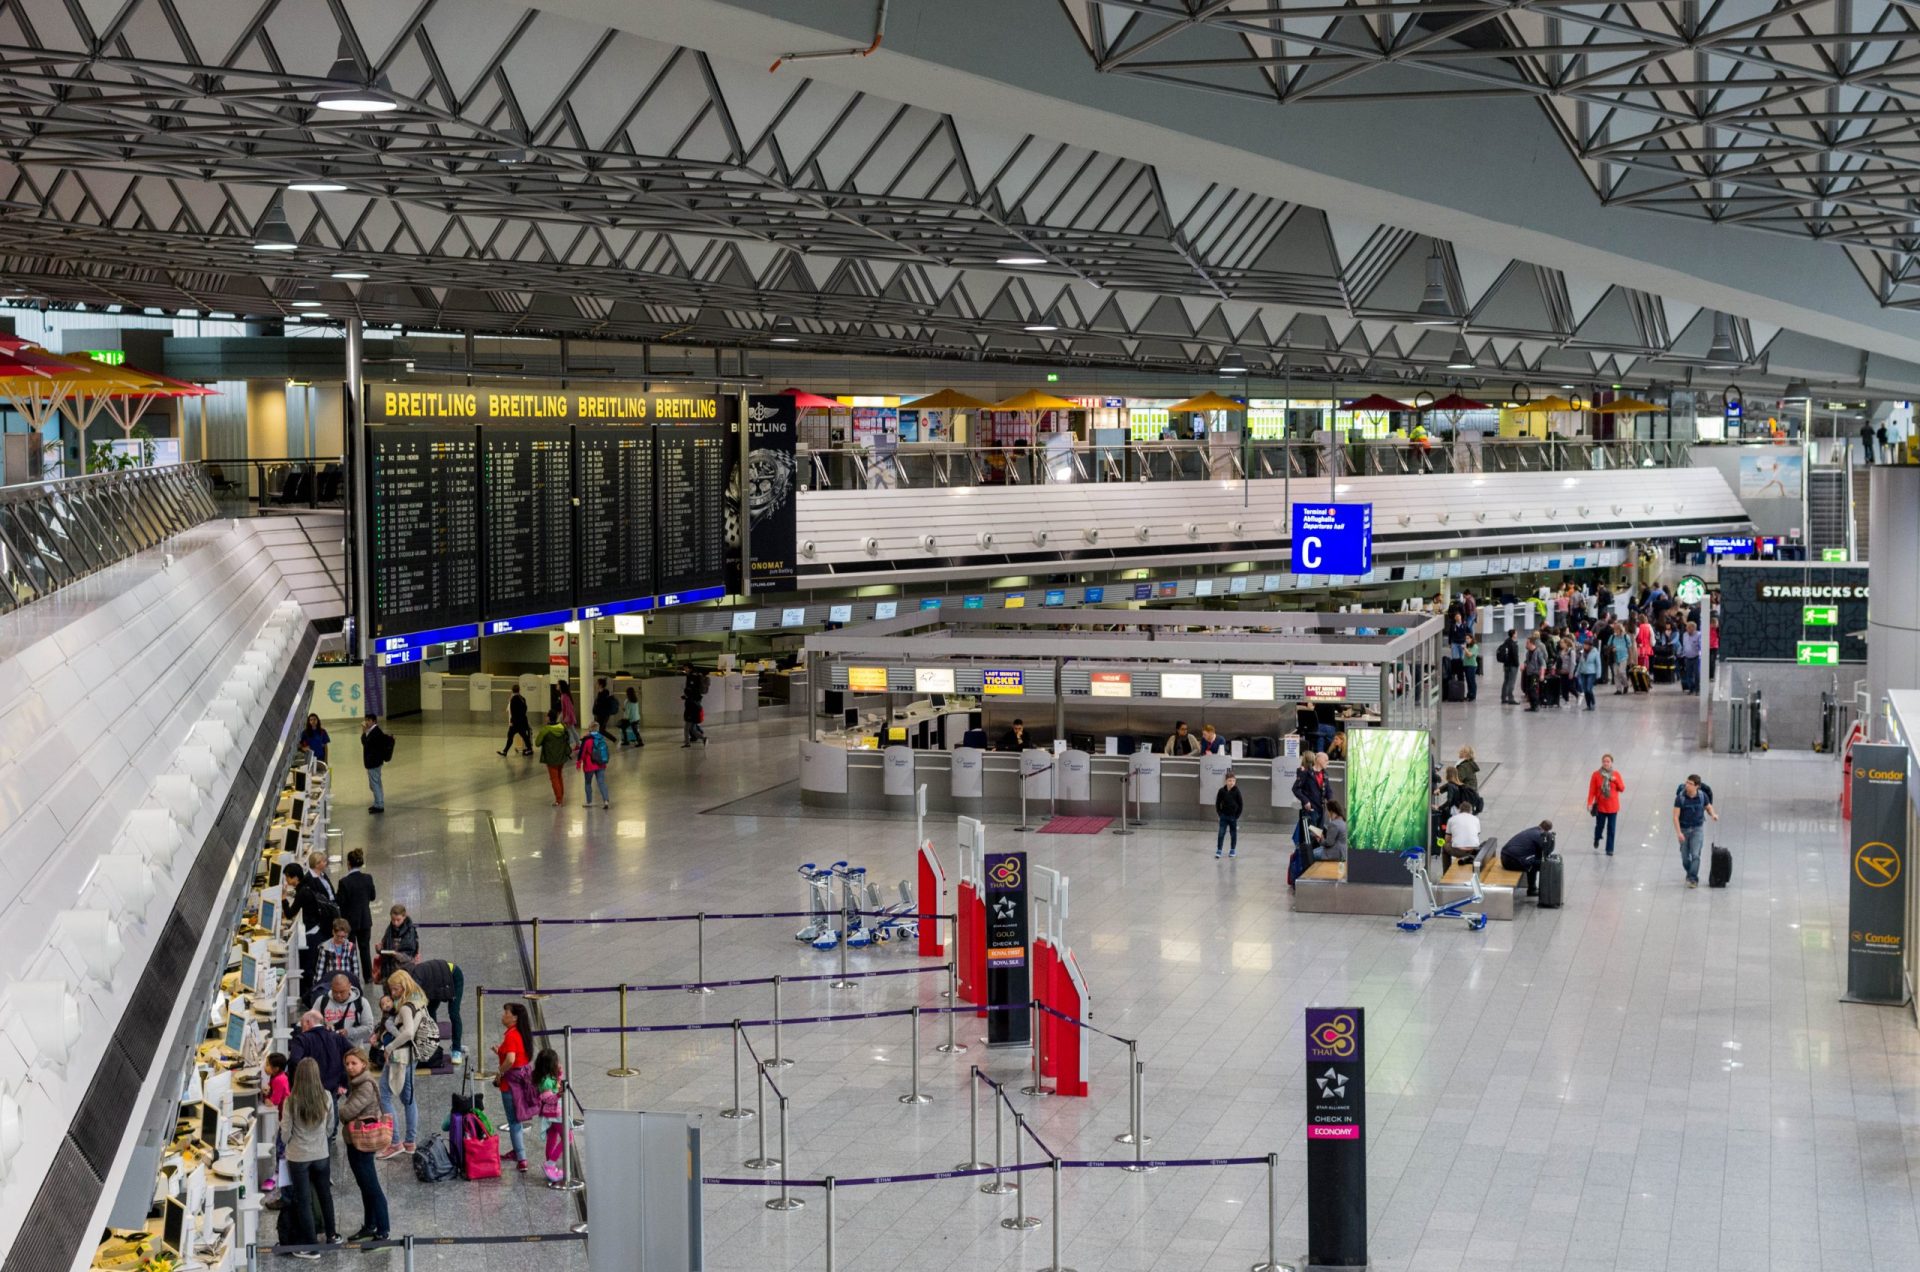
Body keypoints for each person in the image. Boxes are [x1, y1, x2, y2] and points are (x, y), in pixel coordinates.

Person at [282, 1058, 338, 1259]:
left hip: (298, 1156)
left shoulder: (292, 1100)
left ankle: (311, 1245)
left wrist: (286, 1143)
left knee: (304, 1200)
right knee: (325, 1194)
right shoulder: (326, 1097)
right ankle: (332, 1235)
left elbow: (286, 1130)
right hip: (321, 1153)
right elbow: (331, 1126)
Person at [376, 970, 433, 1156]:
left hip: (401, 1054)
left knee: (384, 1093)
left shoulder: (406, 1007)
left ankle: (395, 1142)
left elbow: (408, 1032)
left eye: (395, 989)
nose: (392, 993)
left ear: (404, 986)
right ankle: (410, 1142)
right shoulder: (419, 998)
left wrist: (390, 1047)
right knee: (408, 1098)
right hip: (412, 1055)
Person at [337, 1048, 390, 1242]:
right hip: (355, 1140)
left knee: (372, 1186)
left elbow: (346, 1113)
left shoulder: (365, 1085)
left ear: (363, 1064)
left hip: (362, 1141)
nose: (350, 1067)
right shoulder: (357, 1083)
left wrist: (342, 1108)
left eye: (354, 1063)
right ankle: (370, 1225)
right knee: (365, 1185)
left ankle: (383, 1230)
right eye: (347, 1064)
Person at [281, 863, 335, 1001]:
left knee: (308, 966)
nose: (286, 881)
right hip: (317, 929)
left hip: (312, 934)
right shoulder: (306, 886)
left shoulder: (302, 892)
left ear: (294, 878)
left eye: (287, 877)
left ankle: (310, 996)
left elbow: (290, 913)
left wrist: (283, 899)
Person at [401, 956, 466, 1064]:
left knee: (454, 1012)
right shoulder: (408, 975)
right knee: (430, 1011)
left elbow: (414, 1003)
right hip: (435, 983)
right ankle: (433, 1044)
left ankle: (456, 1048)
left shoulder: (415, 979)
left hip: (453, 976)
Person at [495, 1002, 533, 1172]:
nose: (503, 1015)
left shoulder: (511, 1036)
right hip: (522, 1080)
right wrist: (499, 1051)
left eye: (506, 1013)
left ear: (514, 1017)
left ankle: (521, 1157)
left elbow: (510, 1060)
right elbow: (517, 1056)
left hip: (510, 1084)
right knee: (516, 1119)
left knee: (514, 1121)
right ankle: (517, 1152)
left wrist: (499, 1072)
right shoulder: (521, 1034)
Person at [335, 849, 377, 981]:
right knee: (365, 949)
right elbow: (373, 897)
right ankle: (368, 976)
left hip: (349, 923)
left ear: (348, 863)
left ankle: (353, 976)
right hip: (365, 920)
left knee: (350, 950)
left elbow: (340, 902)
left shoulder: (344, 882)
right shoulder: (368, 878)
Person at [287, 1009, 350, 1095]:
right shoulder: (337, 1038)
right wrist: (344, 1082)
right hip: (332, 1089)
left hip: (308, 1091)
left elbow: (294, 1060)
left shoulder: (302, 1039)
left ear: (308, 1022)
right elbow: (354, 1055)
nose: (302, 1029)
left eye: (302, 1025)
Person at [1672, 773, 1718, 888]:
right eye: (1687, 782)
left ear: (1697, 786)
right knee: (1685, 858)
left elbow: (1708, 807)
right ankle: (1690, 872)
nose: (1687, 785)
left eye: (1690, 784)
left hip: (1697, 829)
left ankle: (1693, 879)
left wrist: (1713, 814)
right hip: (1684, 830)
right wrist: (1679, 833)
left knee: (1696, 855)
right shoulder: (1680, 798)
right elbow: (1675, 817)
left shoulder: (1702, 796)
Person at [532, 1048, 566, 1182]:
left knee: (552, 1136)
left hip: (553, 1112)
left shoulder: (548, 1077)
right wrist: (559, 1095)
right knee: (567, 1138)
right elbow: (547, 1098)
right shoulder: (546, 1081)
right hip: (555, 1112)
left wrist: (559, 1073)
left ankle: (550, 1166)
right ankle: (550, 1164)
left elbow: (556, 1083)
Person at [313, 974, 376, 1048]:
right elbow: (311, 1023)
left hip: (353, 1050)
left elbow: (369, 1028)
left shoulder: (362, 1002)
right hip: (327, 1049)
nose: (338, 995)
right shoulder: (322, 1001)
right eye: (335, 991)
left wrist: (349, 1032)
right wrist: (324, 1026)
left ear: (349, 986)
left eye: (342, 992)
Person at [1499, 821, 1556, 898]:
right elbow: (1544, 852)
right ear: (1547, 830)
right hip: (1513, 861)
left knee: (1533, 862)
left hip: (1505, 857)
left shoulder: (1532, 830)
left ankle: (1532, 888)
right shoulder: (1540, 836)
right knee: (1541, 864)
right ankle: (1536, 889)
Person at [1588, 755, 1625, 856]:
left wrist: (1615, 780)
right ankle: (1597, 837)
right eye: (1604, 761)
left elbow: (1622, 788)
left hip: (1613, 807)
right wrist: (1590, 803)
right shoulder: (1596, 775)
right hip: (1601, 806)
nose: (1606, 763)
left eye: (1608, 761)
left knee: (1611, 828)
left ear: (1611, 763)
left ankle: (1609, 849)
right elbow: (1592, 790)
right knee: (1600, 826)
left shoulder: (1616, 774)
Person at [534, 708, 571, 805]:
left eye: (547, 716)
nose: (545, 717)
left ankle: (559, 800)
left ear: (549, 718)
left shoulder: (546, 730)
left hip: (551, 757)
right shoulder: (562, 727)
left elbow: (537, 743)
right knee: (559, 777)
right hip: (562, 756)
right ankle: (561, 796)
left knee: (554, 778)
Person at [1291, 752, 1327, 847]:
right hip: (1311, 808)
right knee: (1311, 831)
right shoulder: (1304, 772)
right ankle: (1310, 852)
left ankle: (1312, 849)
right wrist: (1306, 801)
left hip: (1319, 807)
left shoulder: (1318, 773)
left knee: (1314, 830)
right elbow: (1296, 788)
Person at [376, 904, 418, 982]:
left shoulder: (410, 931)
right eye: (393, 920)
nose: (395, 923)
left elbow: (411, 954)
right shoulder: (389, 930)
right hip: (389, 970)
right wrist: (379, 949)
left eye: (398, 920)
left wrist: (397, 954)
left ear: (404, 917)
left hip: (404, 971)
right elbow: (384, 946)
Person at [314, 918, 359, 988]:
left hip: (346, 982)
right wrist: (317, 986)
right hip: (330, 982)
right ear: (333, 932)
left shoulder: (351, 947)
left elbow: (355, 968)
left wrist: (355, 984)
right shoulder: (325, 947)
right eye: (338, 936)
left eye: (343, 937)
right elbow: (320, 968)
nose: (340, 939)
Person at [359, 714, 389, 814]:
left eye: (368, 720)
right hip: (374, 762)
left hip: (373, 762)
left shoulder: (375, 732)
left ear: (374, 721)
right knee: (376, 783)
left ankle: (379, 805)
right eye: (366, 720)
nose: (366, 722)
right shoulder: (373, 731)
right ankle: (377, 803)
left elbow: (366, 744)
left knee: (375, 784)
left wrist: (363, 733)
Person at [577, 720, 611, 809]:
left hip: (589, 765)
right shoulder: (601, 738)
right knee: (601, 782)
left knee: (588, 783)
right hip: (601, 764)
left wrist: (579, 762)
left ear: (589, 729)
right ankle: (606, 800)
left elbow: (582, 753)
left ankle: (589, 802)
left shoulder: (587, 740)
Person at [1442, 799, 1482, 868]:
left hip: (1458, 851)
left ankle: (1446, 871)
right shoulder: (1476, 819)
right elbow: (1477, 835)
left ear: (1459, 810)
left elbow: (1447, 839)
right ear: (1471, 810)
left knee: (1445, 847)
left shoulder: (1452, 819)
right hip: (1473, 850)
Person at [1214, 770, 1243, 858]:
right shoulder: (1221, 791)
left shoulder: (1237, 791)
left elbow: (1241, 804)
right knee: (1221, 833)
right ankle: (1219, 849)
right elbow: (1218, 803)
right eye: (1230, 781)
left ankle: (1232, 849)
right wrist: (1220, 814)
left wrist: (1237, 816)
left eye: (1233, 781)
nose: (1232, 783)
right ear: (1226, 781)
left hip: (1233, 817)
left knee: (1233, 834)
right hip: (1224, 816)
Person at [499, 685, 533, 756]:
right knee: (524, 736)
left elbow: (513, 712)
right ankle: (529, 749)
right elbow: (525, 709)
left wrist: (511, 721)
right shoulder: (522, 698)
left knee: (510, 736)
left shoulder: (513, 699)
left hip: (515, 722)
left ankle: (505, 751)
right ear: (519, 690)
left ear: (512, 690)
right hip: (522, 721)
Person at [1312, 798, 1348, 863]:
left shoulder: (1334, 824)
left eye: (1327, 811)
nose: (1327, 813)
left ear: (1331, 811)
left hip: (1334, 854)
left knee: (1310, 855)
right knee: (1316, 850)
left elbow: (1329, 843)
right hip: (1342, 852)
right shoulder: (1343, 822)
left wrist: (1321, 838)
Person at [681, 663, 708, 747]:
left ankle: (688, 743)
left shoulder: (692, 677)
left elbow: (691, 689)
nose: (684, 670)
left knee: (687, 727)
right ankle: (703, 738)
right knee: (692, 728)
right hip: (695, 702)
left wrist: (687, 695)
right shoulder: (694, 675)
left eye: (685, 668)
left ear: (689, 668)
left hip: (692, 704)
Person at [1495, 630, 1519, 705]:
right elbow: (1515, 656)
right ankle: (1511, 698)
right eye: (1516, 633)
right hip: (1512, 666)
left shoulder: (1506, 642)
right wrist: (1517, 664)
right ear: (1513, 635)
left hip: (1506, 665)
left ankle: (1503, 697)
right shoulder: (1513, 644)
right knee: (1511, 682)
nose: (1517, 634)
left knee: (1506, 681)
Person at [1577, 638, 1601, 710]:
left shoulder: (1595, 652)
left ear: (1590, 645)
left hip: (1591, 673)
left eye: (1586, 645)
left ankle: (1593, 703)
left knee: (1588, 689)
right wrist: (1577, 672)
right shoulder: (1582, 652)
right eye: (1584, 644)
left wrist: (1598, 674)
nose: (1585, 646)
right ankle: (1588, 705)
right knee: (1585, 689)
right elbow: (1580, 663)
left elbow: (1598, 664)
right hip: (1583, 672)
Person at [1609, 622, 1634, 694]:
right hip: (1615, 657)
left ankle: (1626, 685)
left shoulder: (1626, 637)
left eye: (1617, 630)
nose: (1615, 631)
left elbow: (1629, 648)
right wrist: (1612, 648)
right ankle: (1619, 689)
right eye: (1614, 629)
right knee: (1616, 674)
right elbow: (1608, 646)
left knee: (1622, 672)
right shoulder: (1612, 637)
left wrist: (1631, 658)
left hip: (1624, 657)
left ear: (1621, 629)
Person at [1521, 636, 1545, 710]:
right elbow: (1527, 661)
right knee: (1528, 690)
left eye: (1527, 643)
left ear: (1531, 643)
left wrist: (1542, 674)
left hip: (1535, 674)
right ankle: (1532, 706)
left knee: (1533, 689)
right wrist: (1524, 664)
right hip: (1528, 674)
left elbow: (1543, 664)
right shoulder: (1528, 653)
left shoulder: (1538, 652)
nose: (1526, 644)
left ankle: (1536, 705)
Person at [1679, 621, 1702, 694]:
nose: (1687, 630)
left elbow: (1700, 645)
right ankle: (1691, 689)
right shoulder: (1685, 635)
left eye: (1689, 628)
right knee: (1689, 674)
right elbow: (1684, 645)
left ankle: (1697, 689)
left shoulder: (1699, 635)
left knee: (1697, 674)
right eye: (1687, 628)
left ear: (1694, 628)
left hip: (1696, 657)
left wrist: (1700, 654)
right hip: (1687, 657)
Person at [1462, 633, 1480, 701]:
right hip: (1466, 665)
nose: (1467, 640)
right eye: (1466, 638)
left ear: (1471, 639)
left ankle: (1473, 695)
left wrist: (1465, 648)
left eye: (1468, 638)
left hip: (1472, 665)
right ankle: (1469, 694)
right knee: (1468, 681)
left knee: (1472, 680)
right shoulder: (1468, 646)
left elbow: (1469, 655)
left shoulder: (1475, 646)